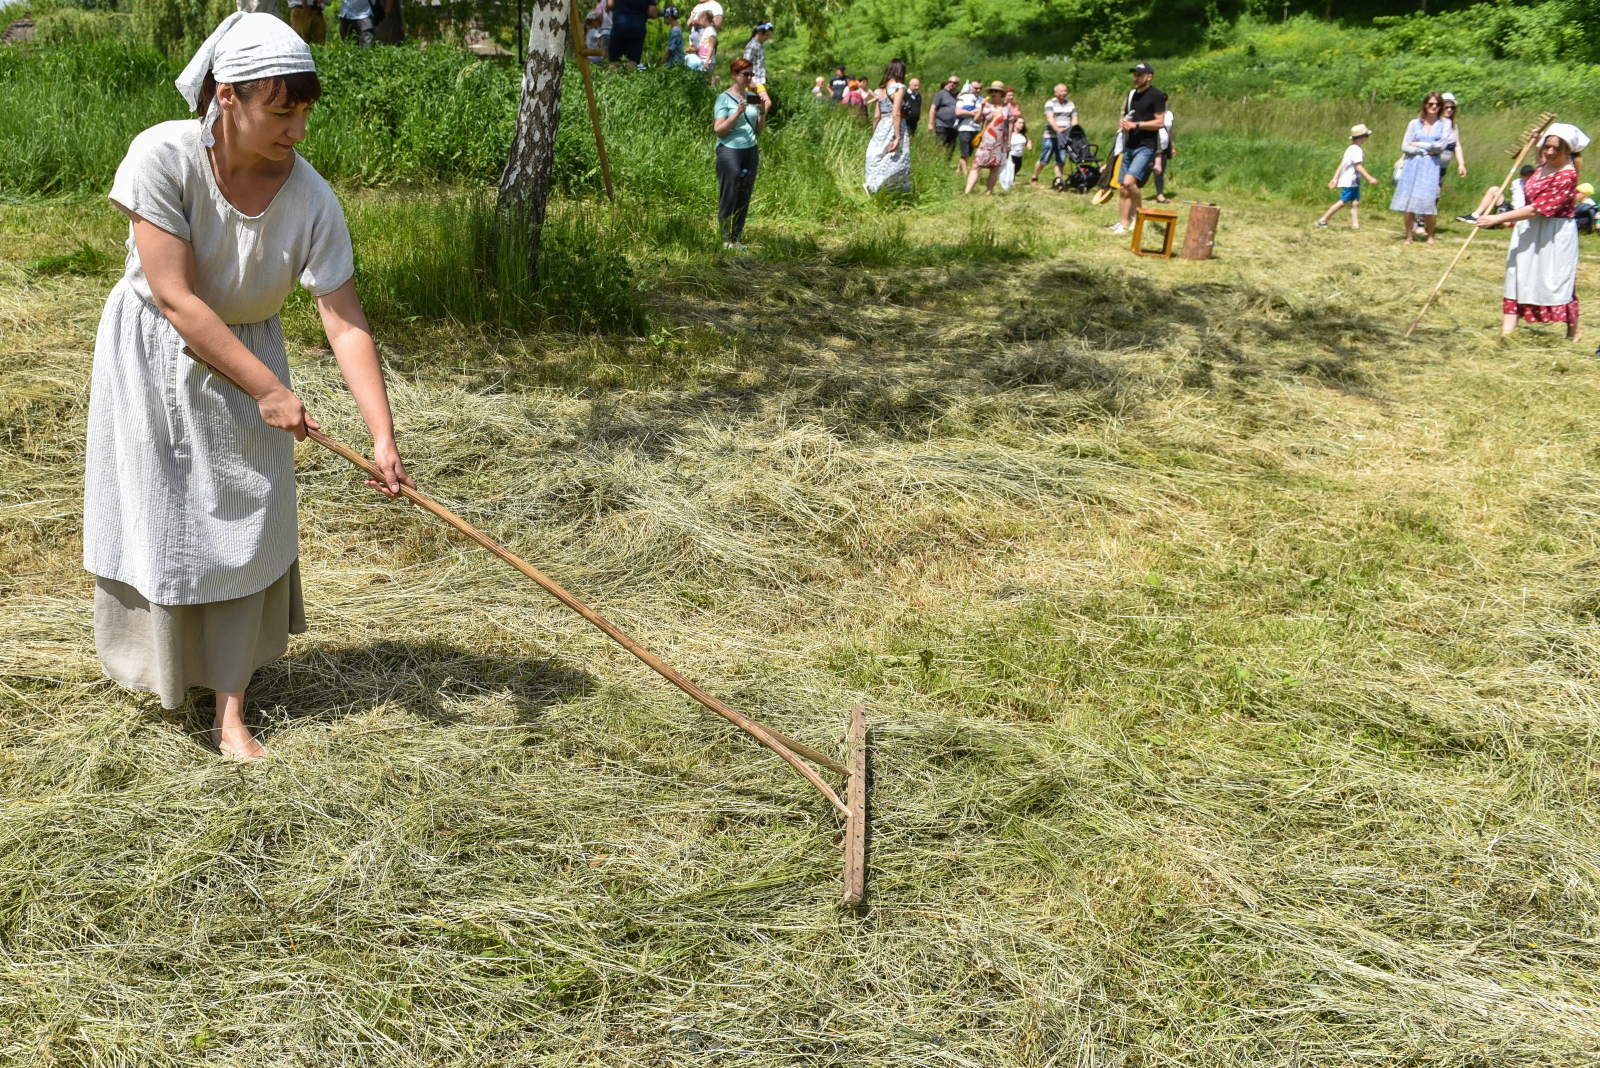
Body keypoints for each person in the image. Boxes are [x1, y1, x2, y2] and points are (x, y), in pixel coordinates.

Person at [87, 13, 414, 761]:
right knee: (167, 512)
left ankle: (231, 708)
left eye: (305, 110)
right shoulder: (161, 157)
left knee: (250, 518)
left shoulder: (311, 198)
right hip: (157, 355)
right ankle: (172, 676)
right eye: (281, 109)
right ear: (227, 96)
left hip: (252, 351)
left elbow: (343, 318)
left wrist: (382, 435)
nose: (298, 130)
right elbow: (174, 298)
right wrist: (269, 390)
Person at [1475, 124, 1589, 341]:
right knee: (1518, 273)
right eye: (1547, 147)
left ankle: (1574, 332)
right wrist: (1535, 141)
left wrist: (1497, 218)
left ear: (1568, 151)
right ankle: (1507, 331)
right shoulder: (1545, 165)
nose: (1550, 152)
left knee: (1555, 281)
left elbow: (1538, 208)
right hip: (1528, 229)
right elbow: (1541, 166)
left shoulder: (1567, 176)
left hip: (1554, 234)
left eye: (1556, 148)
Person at [714, 56, 766, 248]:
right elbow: (719, 130)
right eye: (745, 74)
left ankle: (736, 238)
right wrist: (736, 113)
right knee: (729, 193)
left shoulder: (751, 97)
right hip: (729, 150)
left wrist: (762, 111)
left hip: (750, 149)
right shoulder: (724, 98)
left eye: (751, 74)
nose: (749, 77)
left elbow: (759, 131)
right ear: (735, 75)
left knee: (744, 194)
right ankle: (725, 238)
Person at [1111, 62, 1166, 235]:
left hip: (1146, 146)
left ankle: (1140, 217)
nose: (1136, 78)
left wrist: (1136, 125)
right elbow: (1130, 117)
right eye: (1135, 75)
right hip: (1130, 145)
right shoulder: (1132, 94)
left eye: (1139, 75)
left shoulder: (1156, 95)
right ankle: (1124, 223)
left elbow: (1160, 122)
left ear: (1149, 76)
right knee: (1122, 187)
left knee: (1129, 182)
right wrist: (1125, 124)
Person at [1390, 92, 1449, 244]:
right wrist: (1422, 150)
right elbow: (1405, 146)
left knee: (1429, 201)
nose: (1434, 107)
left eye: (1437, 104)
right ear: (1425, 105)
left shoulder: (1444, 124)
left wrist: (1419, 144)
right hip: (1412, 164)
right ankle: (1409, 235)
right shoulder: (1414, 124)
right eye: (1430, 104)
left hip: (1431, 165)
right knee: (1409, 201)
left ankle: (1430, 235)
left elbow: (1440, 147)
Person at [1316, 124, 1378, 229]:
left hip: (1353, 181)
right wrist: (1369, 178)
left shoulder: (1350, 148)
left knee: (1355, 203)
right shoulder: (1357, 150)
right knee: (1342, 202)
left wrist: (1335, 178)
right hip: (1350, 181)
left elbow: (1342, 164)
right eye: (1367, 136)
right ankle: (1323, 220)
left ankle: (1355, 225)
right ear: (1362, 138)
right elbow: (1358, 167)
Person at [864, 57, 911, 195]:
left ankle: (875, 185)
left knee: (879, 156)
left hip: (881, 126)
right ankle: (880, 187)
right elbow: (896, 113)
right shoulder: (898, 88)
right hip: (894, 126)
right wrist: (897, 136)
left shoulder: (881, 90)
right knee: (899, 158)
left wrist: (875, 132)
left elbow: (876, 115)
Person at [964, 80, 1013, 195]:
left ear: (1001, 94)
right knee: (976, 165)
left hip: (1000, 141)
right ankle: (967, 191)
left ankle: (989, 192)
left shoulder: (1007, 107)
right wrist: (980, 108)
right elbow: (976, 121)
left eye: (996, 91)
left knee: (994, 168)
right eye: (992, 91)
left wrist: (1009, 142)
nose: (993, 93)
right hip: (985, 141)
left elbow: (1010, 125)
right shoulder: (985, 105)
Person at [1030, 83, 1076, 187]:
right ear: (1056, 92)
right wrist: (1057, 129)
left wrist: (1073, 129)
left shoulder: (1070, 104)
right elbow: (1050, 118)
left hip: (1064, 137)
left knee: (1061, 160)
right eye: (1061, 91)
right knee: (1044, 159)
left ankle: (1058, 181)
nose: (1064, 93)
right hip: (1050, 136)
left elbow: (1074, 117)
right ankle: (1035, 177)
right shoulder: (1050, 103)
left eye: (1065, 91)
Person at [1458, 163, 1534, 224]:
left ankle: (1500, 222)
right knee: (1494, 189)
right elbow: (1518, 200)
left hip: (1524, 212)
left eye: (1531, 174)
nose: (1529, 177)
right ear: (1521, 176)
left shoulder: (1535, 185)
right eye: (1527, 175)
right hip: (1512, 209)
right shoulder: (1517, 182)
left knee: (1505, 223)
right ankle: (1475, 215)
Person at [606, 0, 657, 67]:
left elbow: (610, 5)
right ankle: (630, 76)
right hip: (637, 27)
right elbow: (652, 13)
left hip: (620, 26)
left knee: (615, 60)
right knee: (632, 60)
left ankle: (612, 76)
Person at [1439, 93, 1468, 184]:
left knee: (1435, 195)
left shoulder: (1454, 126)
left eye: (1452, 108)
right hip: (1431, 166)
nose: (1449, 110)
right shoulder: (1434, 123)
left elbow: (1457, 146)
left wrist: (1461, 164)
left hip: (1443, 168)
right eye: (1446, 107)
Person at [929, 74, 960, 158]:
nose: (952, 84)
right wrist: (931, 123)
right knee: (940, 144)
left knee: (951, 146)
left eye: (954, 82)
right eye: (950, 82)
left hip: (954, 125)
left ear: (958, 84)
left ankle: (946, 163)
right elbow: (933, 107)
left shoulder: (960, 95)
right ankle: (937, 161)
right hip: (941, 123)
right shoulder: (941, 93)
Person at [954, 79, 981, 176]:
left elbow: (981, 113)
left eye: (980, 88)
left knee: (969, 153)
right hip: (964, 128)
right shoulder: (962, 98)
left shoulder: (980, 100)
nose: (978, 90)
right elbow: (958, 112)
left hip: (976, 129)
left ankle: (959, 170)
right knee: (964, 153)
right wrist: (971, 113)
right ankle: (966, 175)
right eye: (976, 88)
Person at [743, 22, 772, 109]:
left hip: (759, 79)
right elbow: (745, 64)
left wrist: (764, 75)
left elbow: (758, 63)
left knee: (755, 105)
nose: (767, 38)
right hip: (753, 81)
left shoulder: (760, 44)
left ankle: (756, 121)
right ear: (759, 32)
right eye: (766, 35)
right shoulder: (751, 46)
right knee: (767, 103)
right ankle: (759, 122)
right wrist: (750, 80)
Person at [1153, 109, 1175, 202]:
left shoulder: (1169, 114)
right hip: (1151, 146)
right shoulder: (1149, 112)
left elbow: (1170, 131)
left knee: (1160, 170)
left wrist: (1172, 146)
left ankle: (1160, 194)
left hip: (1164, 146)